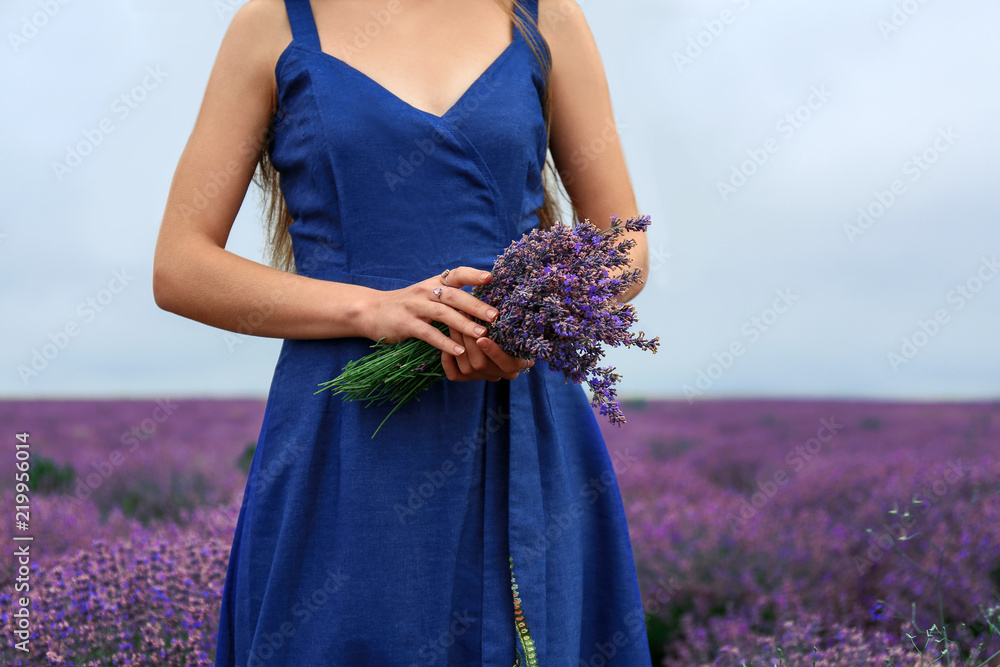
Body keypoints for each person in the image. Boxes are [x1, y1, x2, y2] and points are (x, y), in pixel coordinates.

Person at [152, 0, 653, 664]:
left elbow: (626, 245)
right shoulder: (272, 23)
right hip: (348, 435)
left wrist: (533, 319)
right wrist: (371, 311)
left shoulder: (544, 17)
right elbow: (179, 265)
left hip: (519, 412)